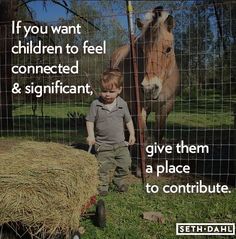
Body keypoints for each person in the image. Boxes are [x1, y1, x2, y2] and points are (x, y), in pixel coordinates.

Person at [86, 68, 135, 196]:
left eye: (111, 91)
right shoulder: (95, 104)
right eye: (104, 91)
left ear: (119, 90)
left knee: (126, 163)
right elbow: (90, 121)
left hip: (120, 144)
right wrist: (91, 135)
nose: (107, 94)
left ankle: (118, 180)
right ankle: (103, 186)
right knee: (103, 167)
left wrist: (132, 134)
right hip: (103, 144)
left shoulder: (122, 104)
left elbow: (128, 120)